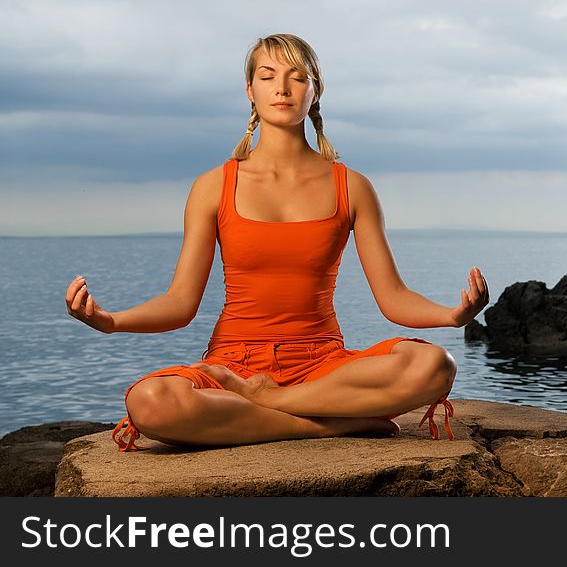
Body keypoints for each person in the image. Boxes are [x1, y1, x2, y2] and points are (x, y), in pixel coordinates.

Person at [64, 33, 489, 452]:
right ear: (250, 90)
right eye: (267, 76)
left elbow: (393, 297)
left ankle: (273, 403)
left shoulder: (352, 187)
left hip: (323, 363)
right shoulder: (213, 186)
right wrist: (111, 321)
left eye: (297, 77)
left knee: (434, 365)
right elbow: (180, 302)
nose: (282, 88)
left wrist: (453, 316)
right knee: (150, 402)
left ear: (315, 91)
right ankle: (327, 426)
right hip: (233, 363)